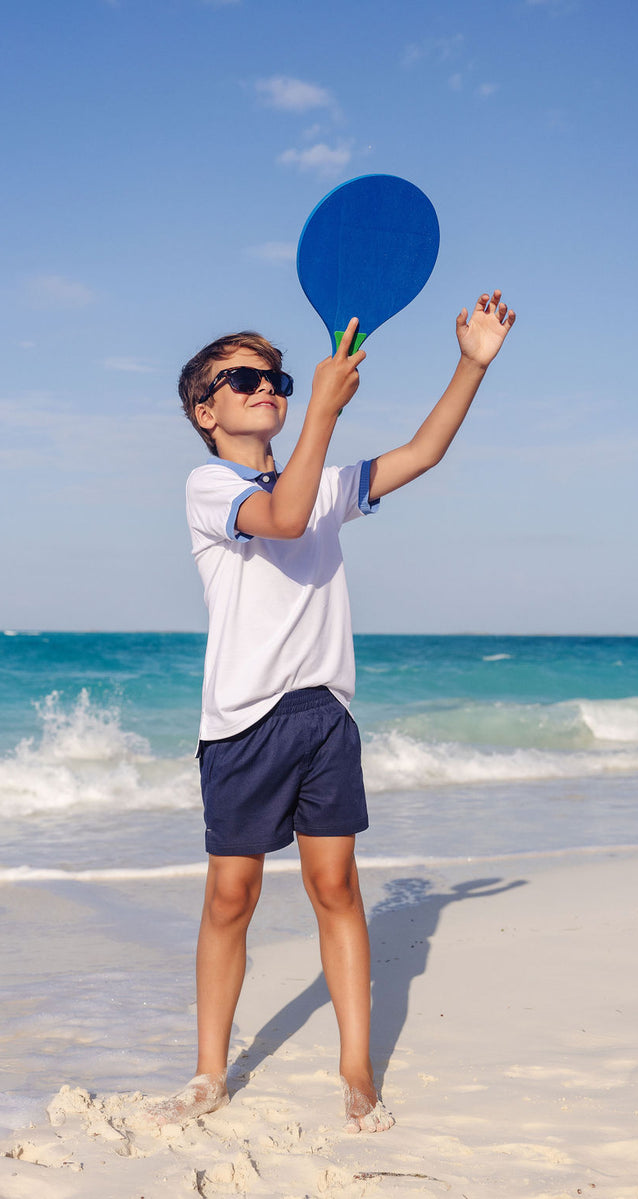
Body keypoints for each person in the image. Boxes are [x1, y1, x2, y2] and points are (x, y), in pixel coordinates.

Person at [145, 291, 516, 1134]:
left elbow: (420, 453)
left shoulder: (324, 481)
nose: (265, 385)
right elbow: (279, 517)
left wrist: (471, 363)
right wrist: (319, 408)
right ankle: (211, 1068)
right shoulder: (212, 485)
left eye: (274, 375)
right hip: (242, 722)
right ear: (206, 411)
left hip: (322, 714)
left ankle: (356, 1066)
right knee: (230, 897)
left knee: (336, 885)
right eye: (243, 378)